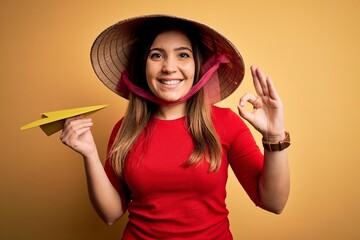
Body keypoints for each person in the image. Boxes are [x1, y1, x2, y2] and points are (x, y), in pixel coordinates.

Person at [60, 15, 290, 239]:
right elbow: (110, 214)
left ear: (198, 66)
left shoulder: (226, 123)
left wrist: (275, 135)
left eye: (183, 55)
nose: (169, 67)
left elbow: (273, 202)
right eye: (157, 55)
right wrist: (89, 154)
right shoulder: (124, 129)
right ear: (143, 67)